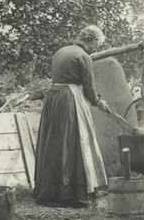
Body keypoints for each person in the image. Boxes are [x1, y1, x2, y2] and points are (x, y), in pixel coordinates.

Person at [34, 25, 112, 208]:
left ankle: (50, 193)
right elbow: (89, 88)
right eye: (97, 44)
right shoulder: (84, 57)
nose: (97, 49)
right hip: (70, 99)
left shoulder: (61, 51)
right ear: (92, 41)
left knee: (54, 144)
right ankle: (72, 194)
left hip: (53, 97)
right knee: (75, 143)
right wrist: (98, 102)